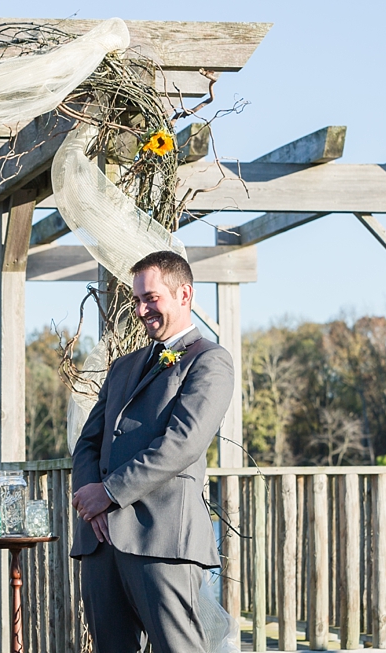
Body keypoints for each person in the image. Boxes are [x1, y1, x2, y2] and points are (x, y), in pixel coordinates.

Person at [70, 250, 235, 653]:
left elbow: (183, 443)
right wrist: (93, 503)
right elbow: (88, 442)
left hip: (162, 539)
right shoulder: (123, 367)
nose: (143, 309)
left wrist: (108, 493)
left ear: (185, 295)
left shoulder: (209, 361)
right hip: (101, 542)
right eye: (138, 299)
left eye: (151, 298)